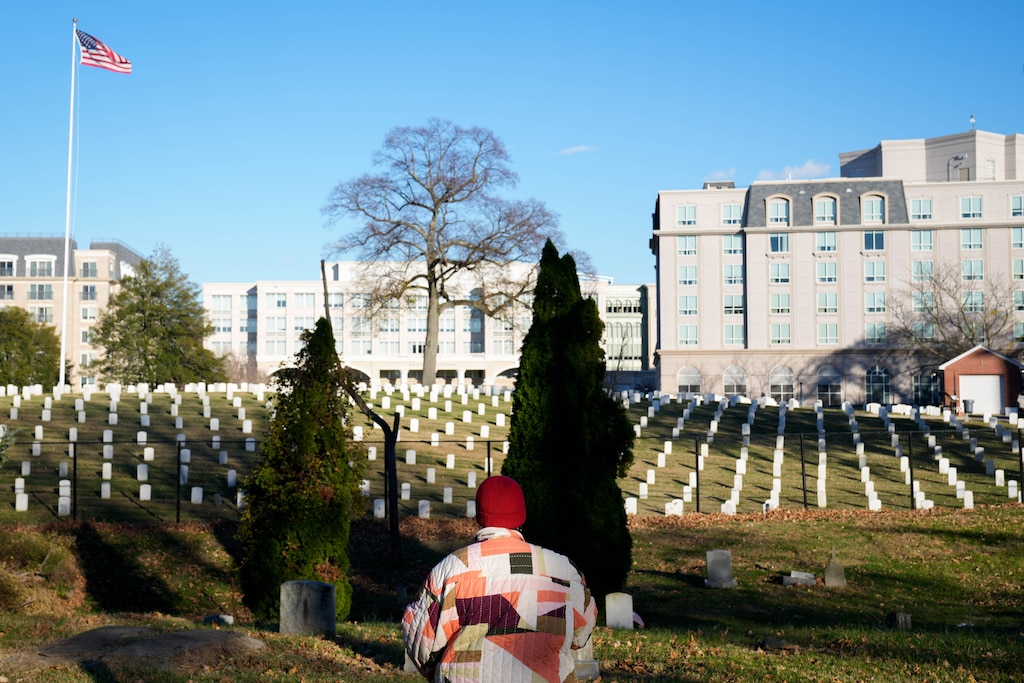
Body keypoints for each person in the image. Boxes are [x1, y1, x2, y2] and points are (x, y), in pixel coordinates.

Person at [402, 475, 598, 682]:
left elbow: (421, 640)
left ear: (479, 516)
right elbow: (582, 633)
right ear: (521, 516)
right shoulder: (562, 568)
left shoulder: (450, 568)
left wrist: (436, 673)